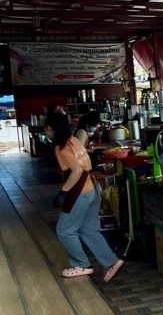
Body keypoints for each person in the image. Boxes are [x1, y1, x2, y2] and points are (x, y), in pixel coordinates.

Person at [45, 112, 124, 283]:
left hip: (79, 191)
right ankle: (111, 262)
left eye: (47, 130)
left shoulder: (60, 147)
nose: (46, 133)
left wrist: (62, 192)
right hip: (92, 188)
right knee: (88, 230)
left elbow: (77, 171)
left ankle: (81, 264)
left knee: (64, 230)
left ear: (51, 129)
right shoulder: (73, 140)